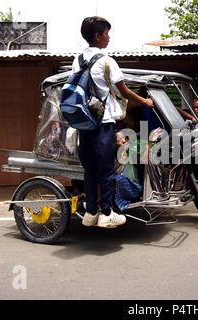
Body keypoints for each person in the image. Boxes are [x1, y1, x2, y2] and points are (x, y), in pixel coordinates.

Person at [74, 16, 154, 228]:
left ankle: (91, 212)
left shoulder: (78, 59)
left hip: (84, 122)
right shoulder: (107, 61)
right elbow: (124, 90)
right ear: (98, 36)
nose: (109, 38)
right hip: (102, 121)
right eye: (107, 33)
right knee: (107, 169)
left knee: (90, 169)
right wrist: (145, 101)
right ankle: (107, 213)